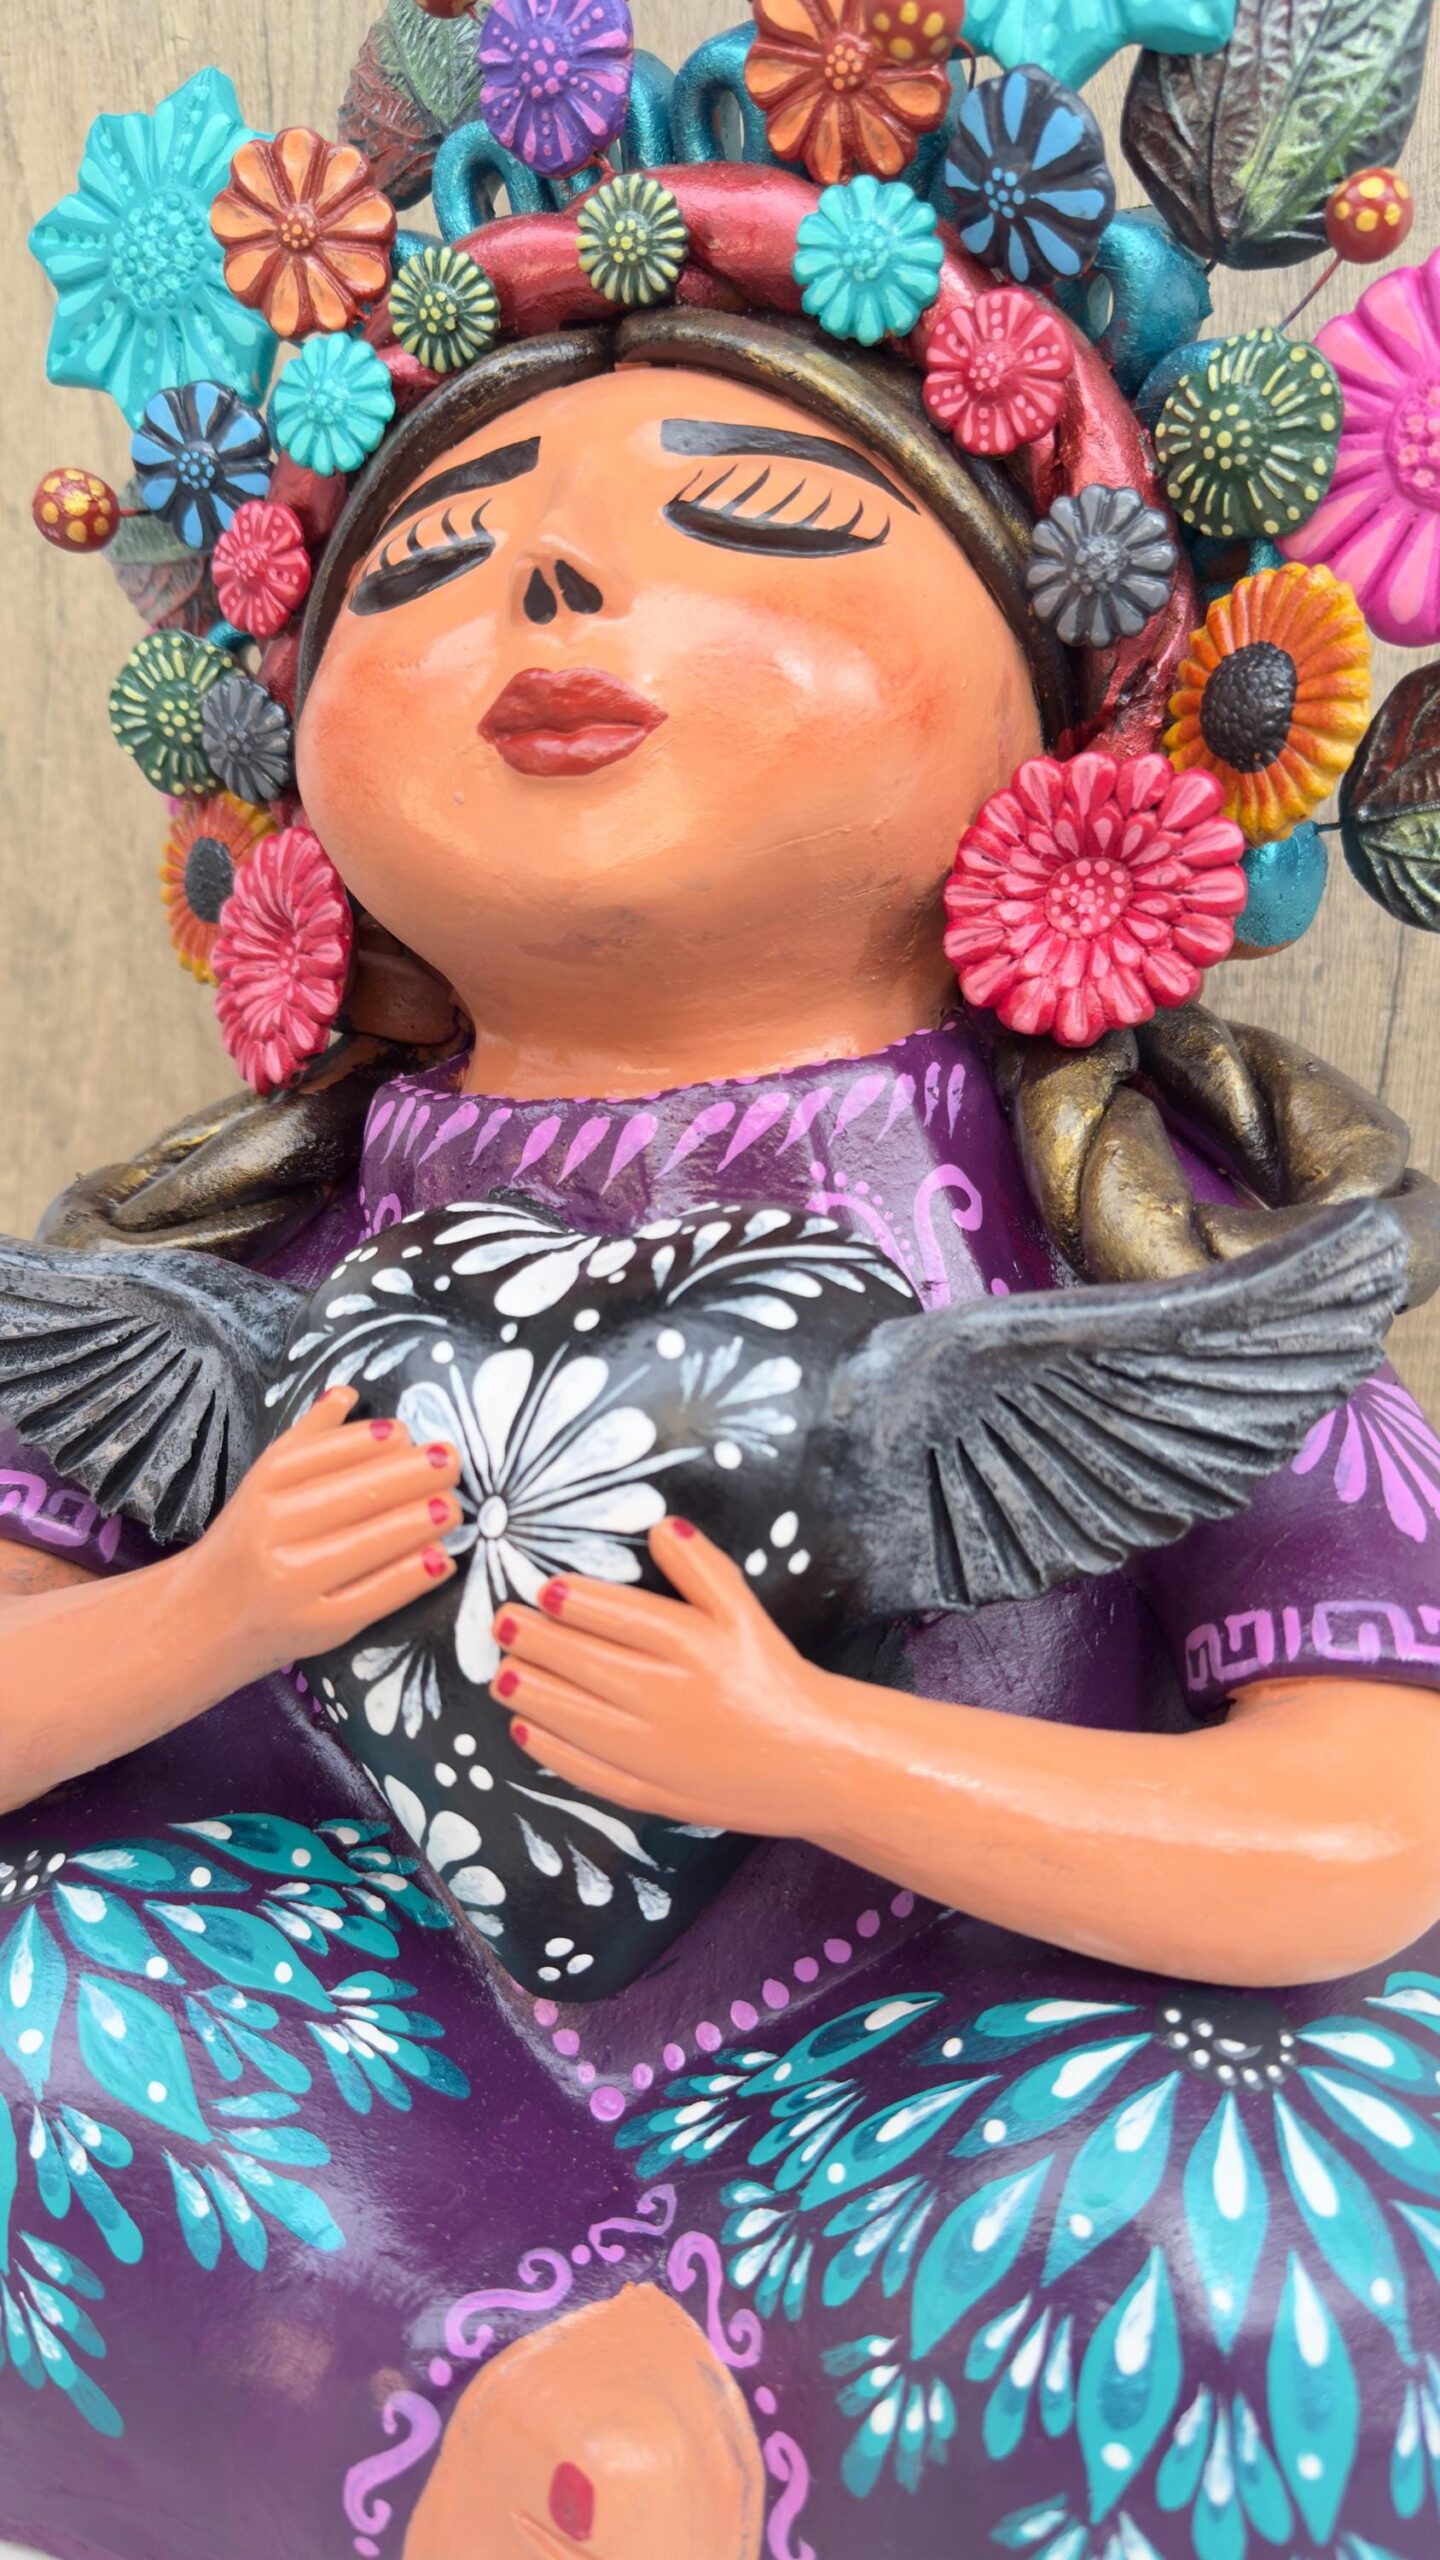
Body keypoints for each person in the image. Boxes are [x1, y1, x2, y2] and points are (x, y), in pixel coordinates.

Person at [7, 37, 1440, 2560]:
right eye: (427, 564)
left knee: (1296, 2171)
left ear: (1063, 714)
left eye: (762, 516)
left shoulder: (1149, 1240)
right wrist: (209, 1606)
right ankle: (500, 2398)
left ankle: (670, 2425)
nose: (551, 590)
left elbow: (1363, 1826)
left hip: (952, 2080)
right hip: (344, 2109)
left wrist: (812, 1751)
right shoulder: (230, 1256)